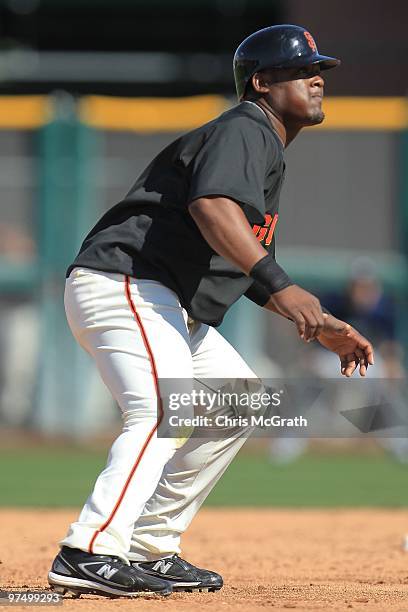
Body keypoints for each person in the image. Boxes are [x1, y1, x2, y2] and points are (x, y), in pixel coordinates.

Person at [48, 24, 374, 598]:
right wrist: (282, 283)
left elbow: (245, 267)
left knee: (239, 399)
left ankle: (151, 545)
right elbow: (212, 208)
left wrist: (316, 322)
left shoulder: (264, 146)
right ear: (262, 83)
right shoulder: (246, 128)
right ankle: (89, 550)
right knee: (160, 408)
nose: (316, 79)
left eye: (317, 69)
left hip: (163, 301)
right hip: (127, 283)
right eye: (301, 71)